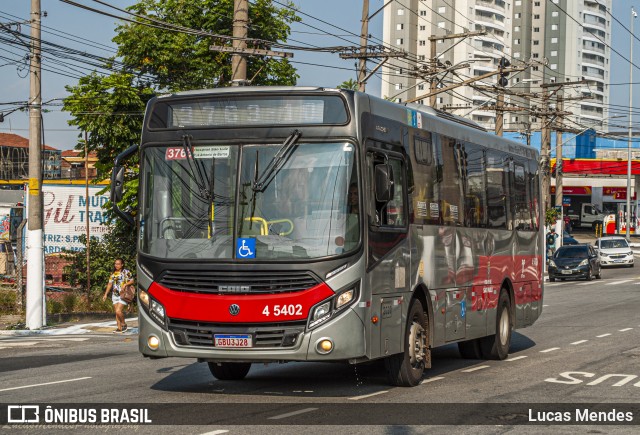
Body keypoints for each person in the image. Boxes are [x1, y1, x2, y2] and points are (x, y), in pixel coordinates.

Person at [102, 258, 134, 333]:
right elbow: (110, 284)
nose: (116, 265)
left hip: (123, 294)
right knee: (117, 312)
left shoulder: (126, 272)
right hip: (115, 294)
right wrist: (106, 294)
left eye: (118, 264)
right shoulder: (113, 273)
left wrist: (126, 284)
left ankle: (123, 324)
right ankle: (119, 328)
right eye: (115, 264)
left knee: (118, 311)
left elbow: (132, 280)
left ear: (122, 264)